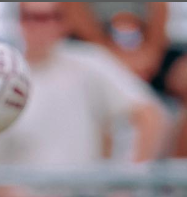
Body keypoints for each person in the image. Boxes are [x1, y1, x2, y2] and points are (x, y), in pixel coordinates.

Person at [0, 2, 168, 197]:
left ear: (64, 22)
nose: (42, 25)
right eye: (31, 17)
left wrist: (126, 185)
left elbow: (149, 115)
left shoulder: (89, 62)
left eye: (53, 17)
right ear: (19, 21)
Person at [61, 2, 187, 158]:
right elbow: (71, 9)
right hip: (92, 48)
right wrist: (110, 57)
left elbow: (160, 7)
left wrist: (150, 55)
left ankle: (179, 167)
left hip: (143, 48)